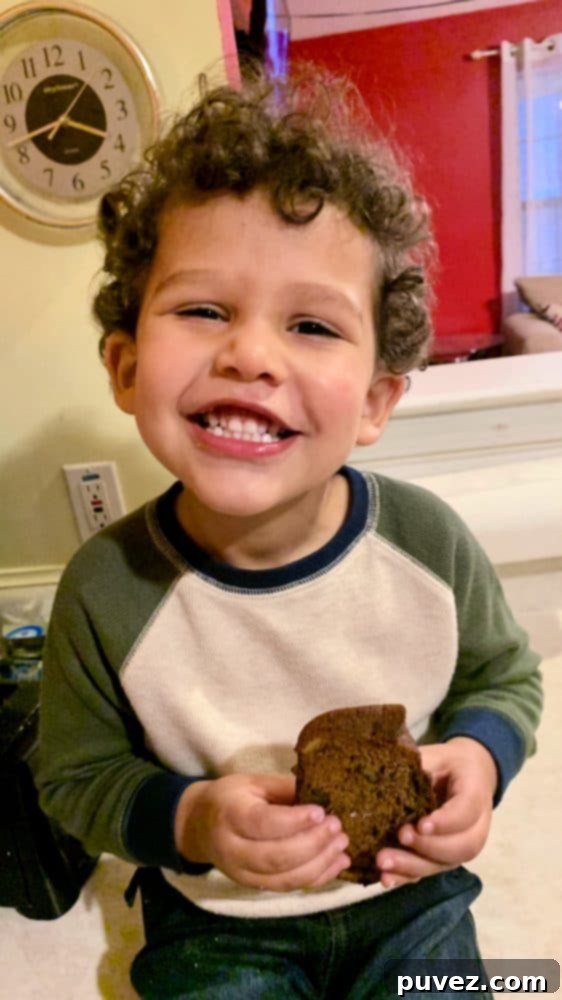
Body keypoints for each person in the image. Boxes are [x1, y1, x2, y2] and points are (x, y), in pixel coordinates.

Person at [37, 66, 542, 999]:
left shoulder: (427, 543)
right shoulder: (106, 588)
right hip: (218, 923)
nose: (252, 355)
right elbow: (75, 778)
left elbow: (505, 677)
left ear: (376, 402)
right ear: (125, 363)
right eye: (202, 310)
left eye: (311, 324)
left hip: (412, 900)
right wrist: (189, 820)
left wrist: (479, 756)